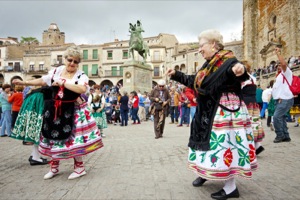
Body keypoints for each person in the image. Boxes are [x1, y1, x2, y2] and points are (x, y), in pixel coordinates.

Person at [166, 29, 257, 200]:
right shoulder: (208, 64)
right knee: (205, 145)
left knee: (225, 147)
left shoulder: (229, 61)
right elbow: (195, 82)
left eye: (202, 46)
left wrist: (241, 69)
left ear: (213, 44)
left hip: (223, 111)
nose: (199, 50)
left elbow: (238, 71)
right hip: (207, 110)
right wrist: (177, 75)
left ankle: (230, 188)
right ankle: (206, 172)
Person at [12, 46, 103, 179]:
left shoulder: (81, 75)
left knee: (75, 139)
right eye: (70, 60)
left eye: (76, 61)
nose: (72, 63)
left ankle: (79, 168)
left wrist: (63, 83)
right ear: (65, 59)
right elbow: (43, 80)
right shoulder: (57, 71)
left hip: (75, 110)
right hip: (55, 109)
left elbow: (82, 89)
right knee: (52, 136)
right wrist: (24, 82)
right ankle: (54, 167)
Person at [241, 60, 265, 155]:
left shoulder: (242, 79)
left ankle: (250, 146)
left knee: (245, 124)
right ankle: (257, 145)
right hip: (253, 103)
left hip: (245, 103)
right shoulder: (252, 78)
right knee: (254, 123)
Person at [272, 47, 294, 143]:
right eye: (277, 65)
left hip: (285, 99)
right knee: (281, 117)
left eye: (280, 65)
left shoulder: (287, 72)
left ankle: (279, 135)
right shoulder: (280, 75)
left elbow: (284, 63)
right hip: (280, 99)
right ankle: (286, 136)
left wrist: (278, 54)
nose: (278, 66)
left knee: (276, 117)